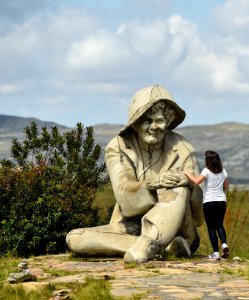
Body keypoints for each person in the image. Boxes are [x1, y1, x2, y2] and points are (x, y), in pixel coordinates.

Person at [66, 85, 204, 263]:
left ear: (168, 121)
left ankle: (149, 244)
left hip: (178, 229)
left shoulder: (183, 148)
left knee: (178, 185)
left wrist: (190, 184)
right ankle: (161, 247)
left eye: (160, 120)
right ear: (136, 122)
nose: (154, 127)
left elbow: (199, 216)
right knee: (76, 238)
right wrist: (154, 183)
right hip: (130, 225)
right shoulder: (118, 146)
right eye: (147, 121)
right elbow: (125, 198)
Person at [184, 150, 230, 260]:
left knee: (211, 227)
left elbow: (196, 181)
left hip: (209, 202)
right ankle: (224, 245)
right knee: (219, 225)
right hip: (221, 202)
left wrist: (187, 174)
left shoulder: (206, 171)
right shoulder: (223, 172)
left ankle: (216, 253)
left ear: (208, 161)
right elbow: (226, 187)